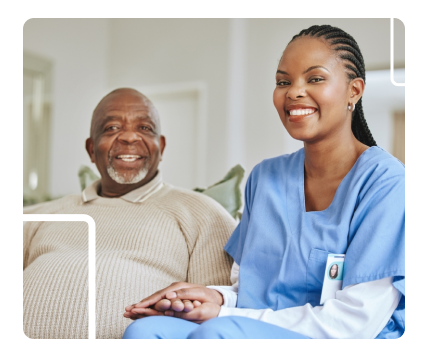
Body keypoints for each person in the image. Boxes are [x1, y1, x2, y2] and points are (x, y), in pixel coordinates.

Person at [122, 25, 405, 339]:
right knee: (145, 331)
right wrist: (215, 298)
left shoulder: (385, 183)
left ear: (354, 90)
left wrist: (226, 314)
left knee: (216, 332)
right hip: (250, 325)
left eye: (315, 78)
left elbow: (356, 322)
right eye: (283, 81)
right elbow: (252, 292)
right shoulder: (265, 178)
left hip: (341, 334)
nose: (294, 91)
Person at [23, 88, 236, 339]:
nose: (129, 137)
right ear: (91, 149)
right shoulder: (34, 218)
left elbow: (219, 316)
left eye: (145, 128)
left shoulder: (204, 214)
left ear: (161, 146)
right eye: (111, 127)